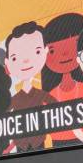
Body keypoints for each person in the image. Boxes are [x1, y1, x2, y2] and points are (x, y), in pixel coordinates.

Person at [42, 13, 83, 147]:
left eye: (74, 44)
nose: (65, 53)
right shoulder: (48, 97)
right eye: (53, 50)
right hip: (57, 150)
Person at [4, 21, 56, 152]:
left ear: (45, 51)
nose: (26, 61)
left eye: (36, 52)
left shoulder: (41, 95)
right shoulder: (14, 99)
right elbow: (3, 120)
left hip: (39, 144)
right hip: (21, 148)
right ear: (8, 63)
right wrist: (9, 148)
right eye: (15, 58)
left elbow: (57, 108)